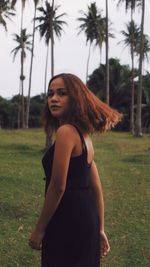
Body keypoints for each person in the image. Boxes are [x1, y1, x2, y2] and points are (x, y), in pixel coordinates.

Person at [29, 73, 122, 267]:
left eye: (62, 93)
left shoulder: (66, 133)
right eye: (50, 93)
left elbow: (57, 186)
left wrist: (39, 229)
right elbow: (95, 187)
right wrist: (100, 228)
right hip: (86, 220)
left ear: (76, 97)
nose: (53, 99)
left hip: (67, 220)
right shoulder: (84, 135)